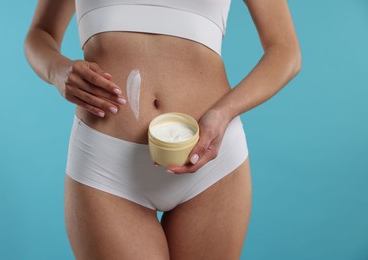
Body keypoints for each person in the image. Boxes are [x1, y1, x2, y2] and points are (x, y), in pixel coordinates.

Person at [24, 0, 301, 259]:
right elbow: (40, 33)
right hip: (105, 165)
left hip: (210, 160)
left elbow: (286, 50)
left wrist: (223, 112)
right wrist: (56, 71)